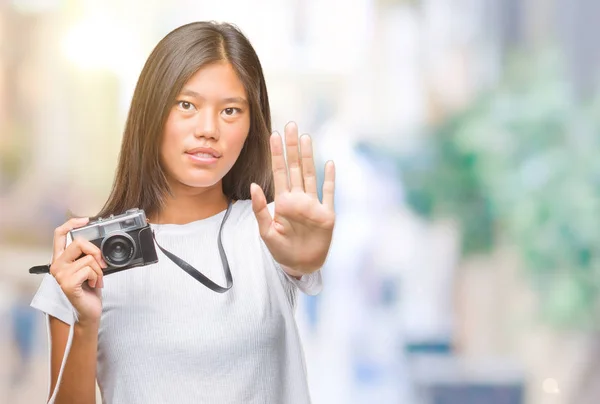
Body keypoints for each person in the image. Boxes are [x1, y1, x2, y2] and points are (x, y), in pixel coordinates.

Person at [30, 21, 335, 404]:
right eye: (186, 105)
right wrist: (85, 322)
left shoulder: (270, 229)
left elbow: (300, 260)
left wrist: (304, 261)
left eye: (230, 110)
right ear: (152, 111)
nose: (208, 129)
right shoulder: (87, 260)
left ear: (250, 125)